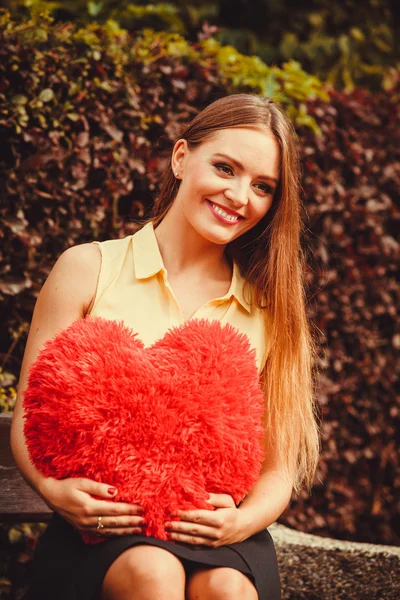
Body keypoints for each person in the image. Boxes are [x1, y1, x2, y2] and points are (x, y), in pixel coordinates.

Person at [11, 93, 320, 600]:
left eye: (263, 186)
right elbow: (30, 415)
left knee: (227, 590)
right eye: (225, 167)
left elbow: (279, 468)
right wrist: (53, 492)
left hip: (217, 533)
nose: (240, 196)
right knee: (153, 575)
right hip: (104, 524)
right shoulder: (88, 269)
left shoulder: (272, 311)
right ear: (181, 158)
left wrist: (240, 522)